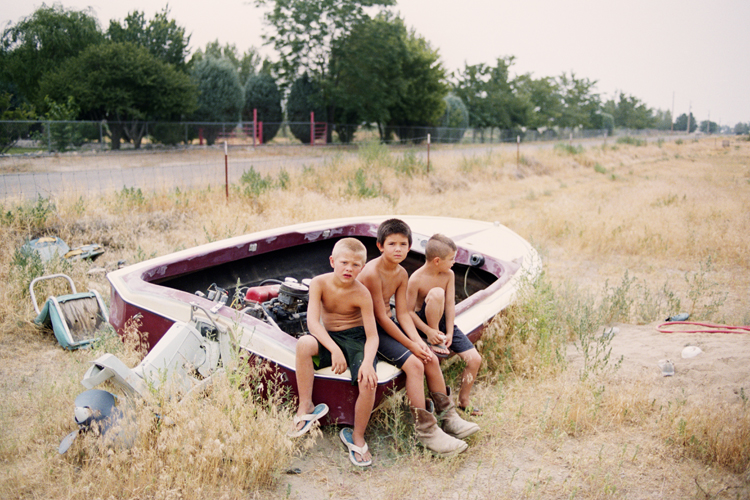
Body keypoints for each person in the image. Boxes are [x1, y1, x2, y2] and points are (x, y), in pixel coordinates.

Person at [358, 219, 478, 456]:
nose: (398, 249)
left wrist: (421, 343)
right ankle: (426, 431)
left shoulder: (401, 273)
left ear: (410, 246)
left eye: (403, 244)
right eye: (392, 243)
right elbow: (381, 318)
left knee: (429, 357)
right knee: (415, 364)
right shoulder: (372, 272)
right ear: (380, 246)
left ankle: (448, 416)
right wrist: (412, 344)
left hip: (386, 324)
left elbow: (402, 313)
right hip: (366, 328)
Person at [289, 237, 379, 467]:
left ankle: (357, 435)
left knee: (368, 380)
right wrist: (334, 349)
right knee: (304, 344)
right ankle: (305, 406)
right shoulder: (319, 283)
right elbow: (313, 324)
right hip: (330, 338)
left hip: (357, 339)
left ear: (363, 267)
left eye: (356, 264)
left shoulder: (362, 293)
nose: (349, 268)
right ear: (332, 261)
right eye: (344, 262)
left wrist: (368, 362)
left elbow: (372, 336)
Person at [407, 234, 484, 417]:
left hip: (441, 322)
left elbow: (450, 305)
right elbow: (408, 312)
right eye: (451, 259)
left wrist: (449, 332)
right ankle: (435, 341)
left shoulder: (448, 274)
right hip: (421, 324)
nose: (453, 263)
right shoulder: (416, 279)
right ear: (436, 260)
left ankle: (464, 401)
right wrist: (428, 331)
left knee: (474, 359)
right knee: (436, 293)